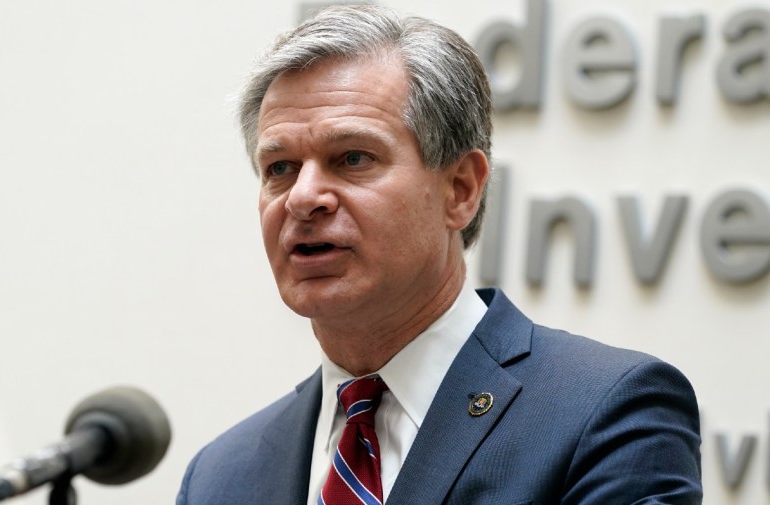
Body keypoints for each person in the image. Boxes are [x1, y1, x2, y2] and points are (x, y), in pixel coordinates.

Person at [177, 5, 701, 504]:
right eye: (280, 168)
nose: (303, 197)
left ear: (461, 190)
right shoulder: (220, 477)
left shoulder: (608, 412)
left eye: (352, 158)